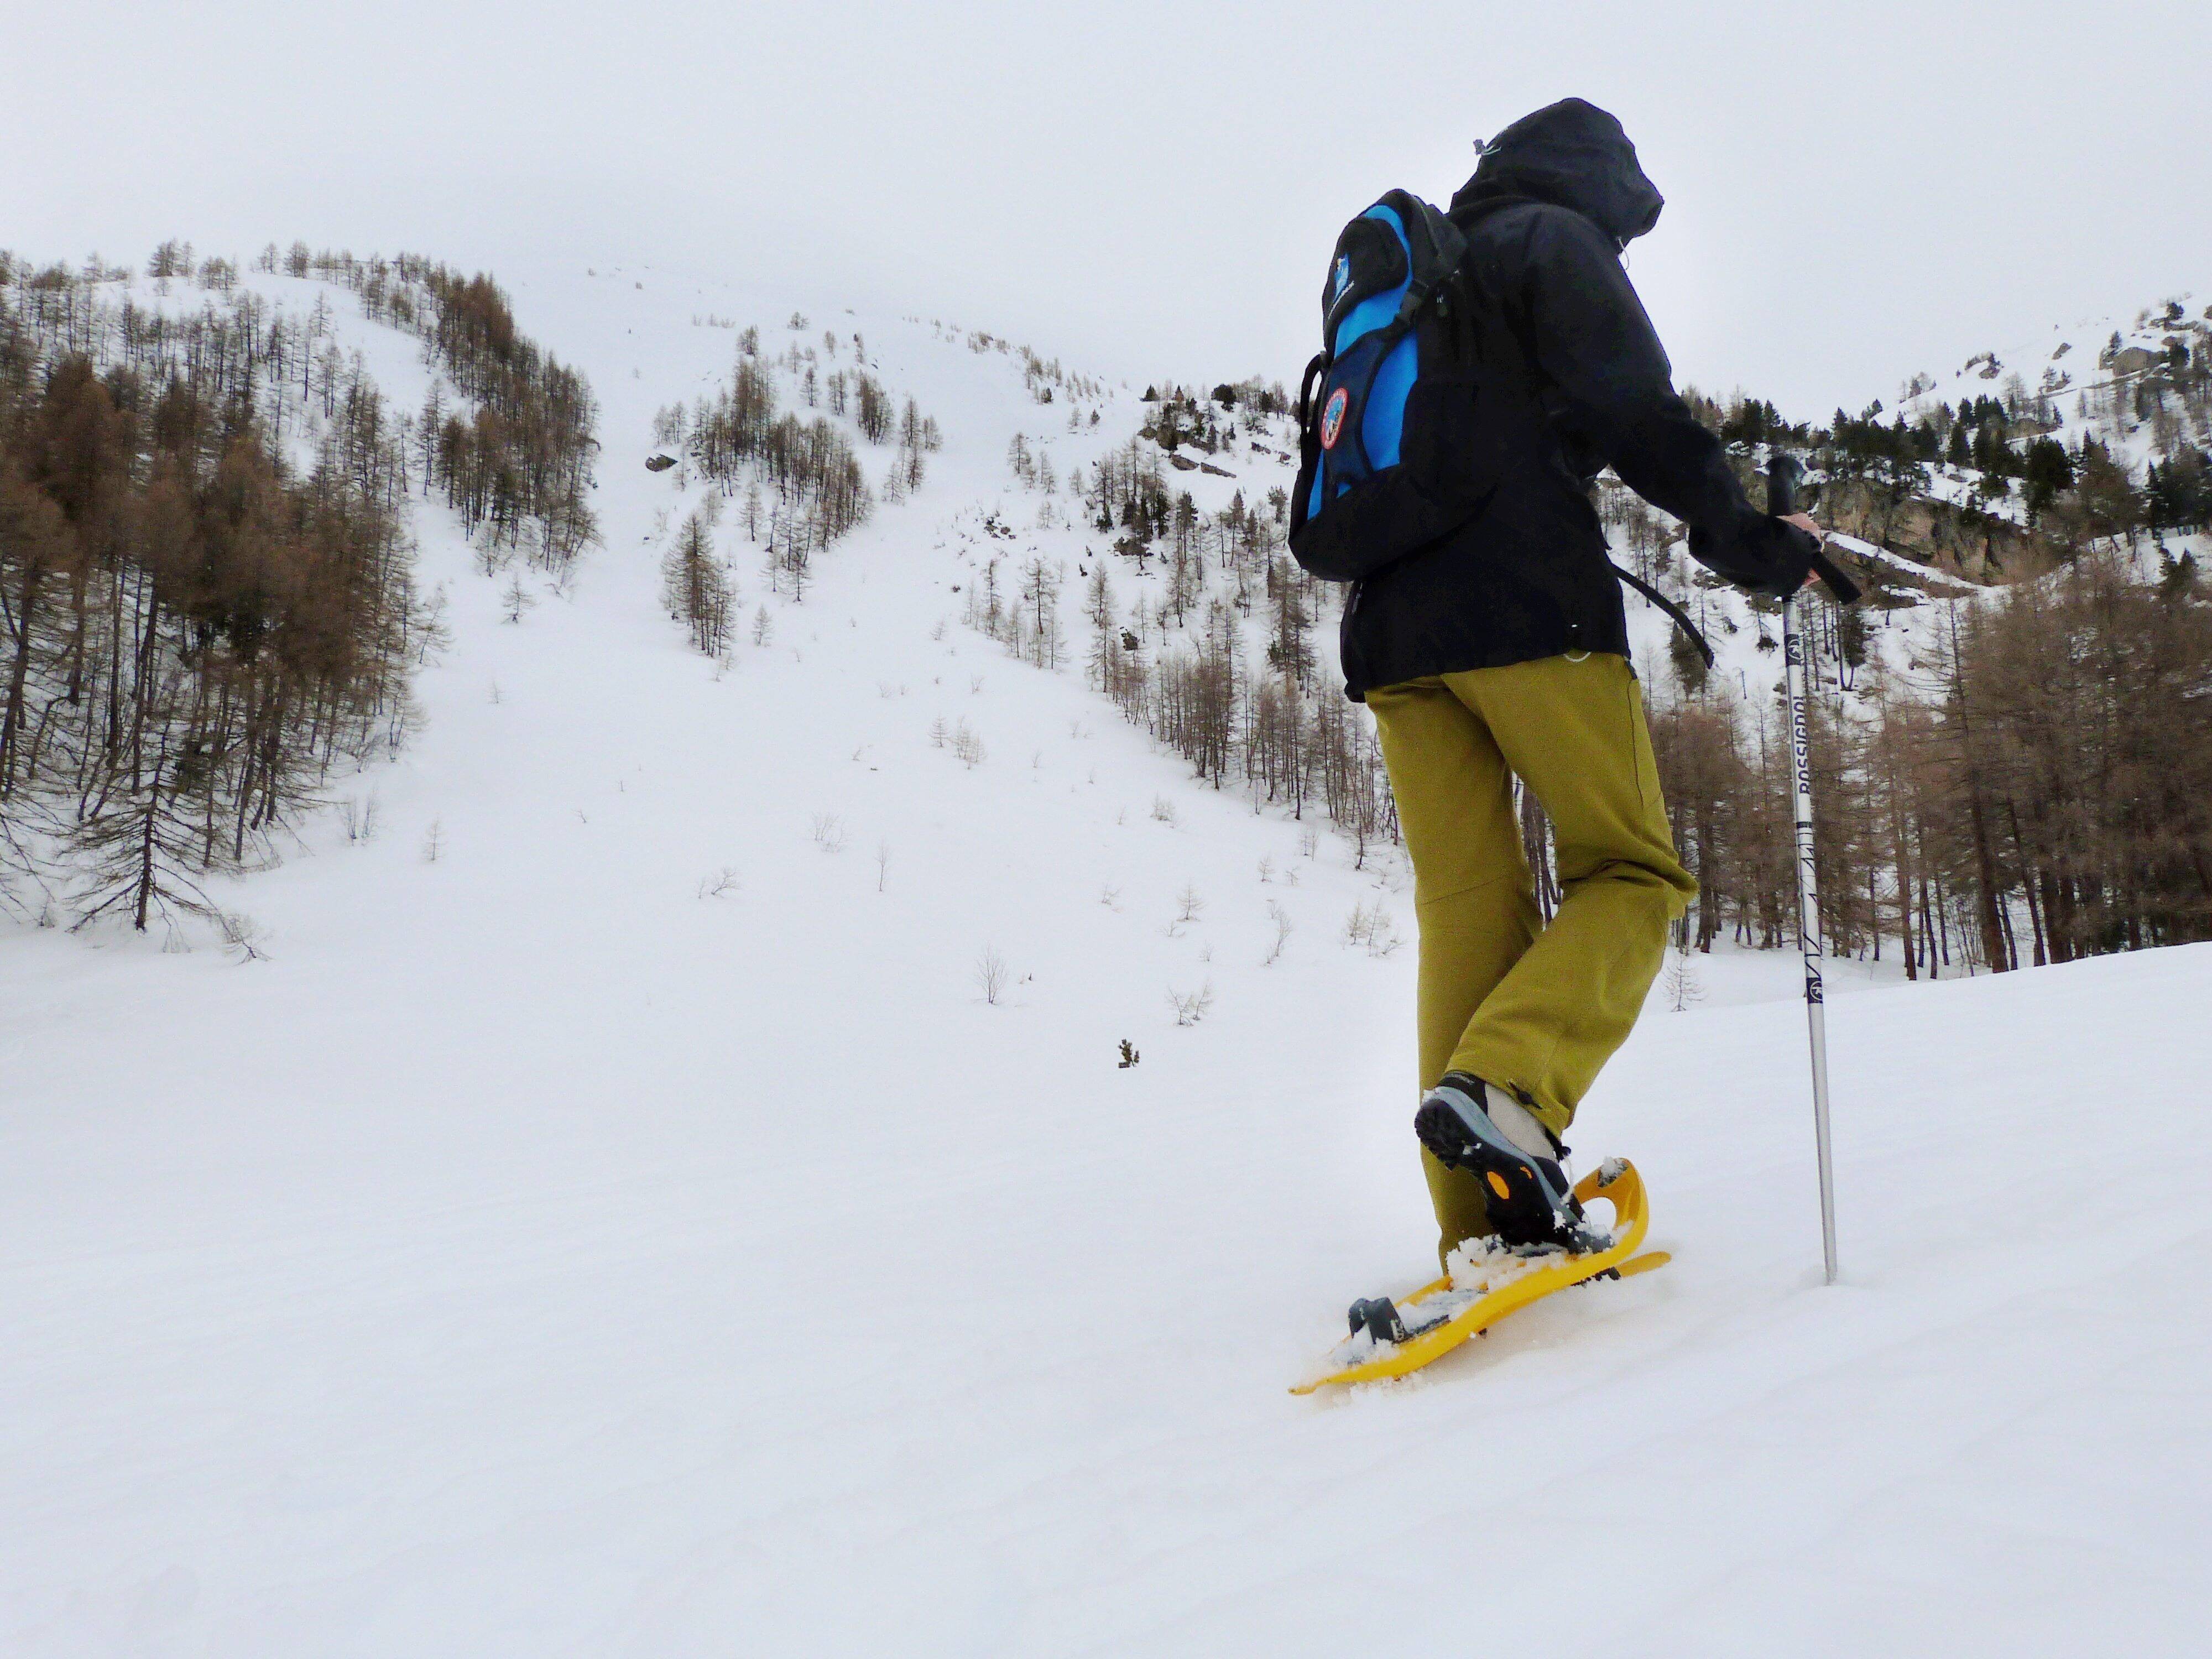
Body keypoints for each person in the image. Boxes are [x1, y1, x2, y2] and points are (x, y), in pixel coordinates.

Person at [1337, 98, 1827, 1263]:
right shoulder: (1544, 241)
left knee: (1468, 908)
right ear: (1591, 186)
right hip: (1524, 608)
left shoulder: (1421, 288)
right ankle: (1507, 1089)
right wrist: (1751, 543)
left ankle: (1481, 1219)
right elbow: (1633, 408)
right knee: (1632, 869)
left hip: (1388, 632)